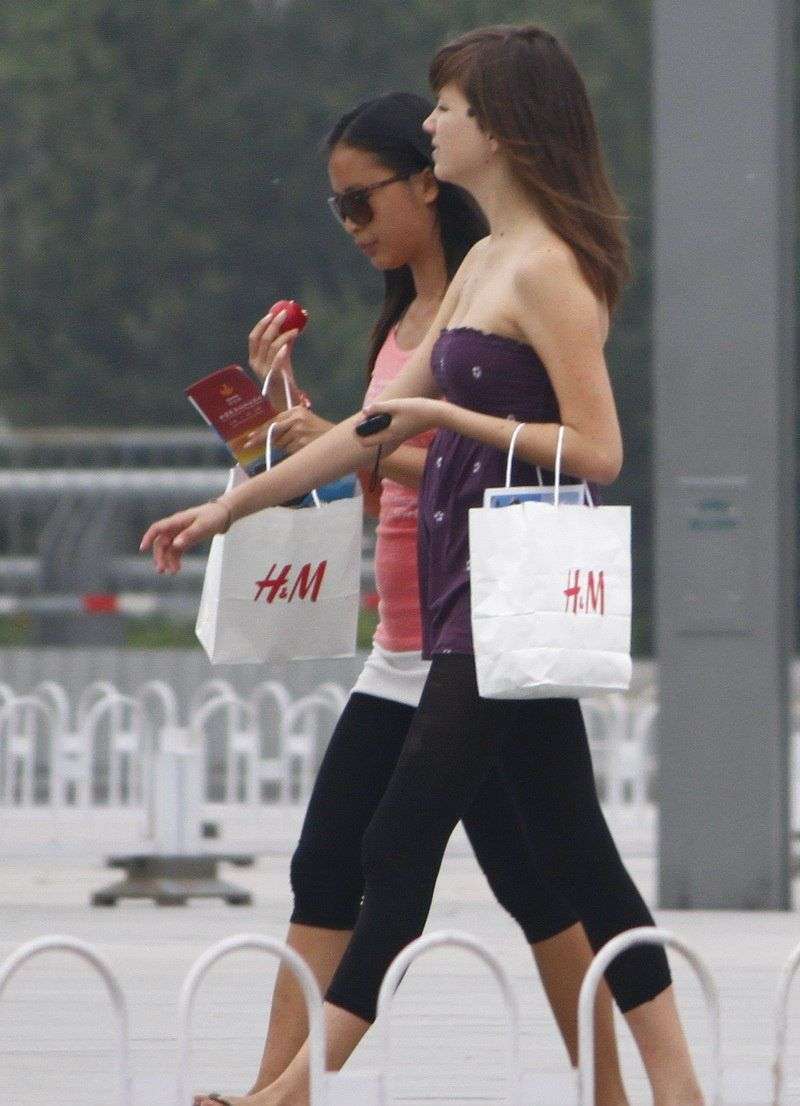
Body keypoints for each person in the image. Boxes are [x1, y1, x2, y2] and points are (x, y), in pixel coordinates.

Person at [143, 26, 703, 1106]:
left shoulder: (547, 268)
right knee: (572, 863)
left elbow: (597, 452)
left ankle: (283, 1095)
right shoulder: (484, 264)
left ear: (500, 127)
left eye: (448, 107)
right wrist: (227, 506)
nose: (433, 120)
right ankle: (671, 1092)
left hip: (499, 600)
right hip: (450, 600)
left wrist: (450, 417)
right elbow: (371, 429)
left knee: (400, 847)